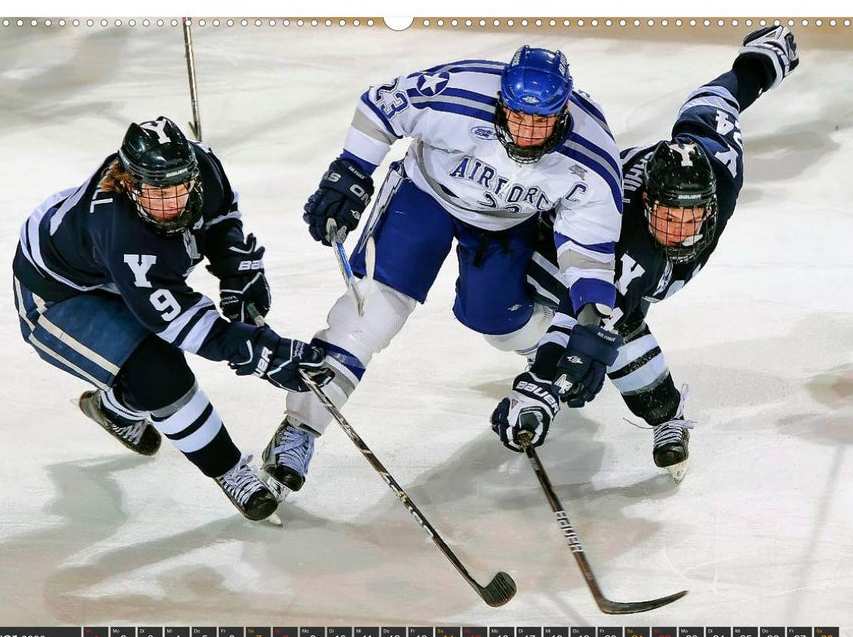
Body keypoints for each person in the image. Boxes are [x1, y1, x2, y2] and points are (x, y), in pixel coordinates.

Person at [260, 47, 625, 500]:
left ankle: (545, 351)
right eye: (516, 116)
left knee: (497, 321)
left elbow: (589, 251)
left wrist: (586, 325)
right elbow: (381, 105)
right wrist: (350, 170)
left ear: (564, 110)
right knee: (372, 310)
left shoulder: (592, 156)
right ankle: (301, 426)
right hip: (424, 195)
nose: (527, 133)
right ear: (500, 101)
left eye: (542, 121)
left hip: (506, 225)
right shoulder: (460, 90)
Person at [491, 26, 800, 484]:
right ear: (647, 204)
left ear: (712, 205)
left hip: (618, 272)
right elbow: (591, 317)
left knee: (613, 321)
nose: (678, 233)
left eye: (691, 219)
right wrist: (542, 389)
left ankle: (661, 414)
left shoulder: (719, 165)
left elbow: (714, 102)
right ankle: (663, 414)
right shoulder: (624, 230)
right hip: (549, 247)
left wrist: (762, 61)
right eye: (667, 218)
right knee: (594, 323)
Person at [12, 116, 329, 521]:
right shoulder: (121, 229)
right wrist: (261, 352)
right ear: (128, 182)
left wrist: (236, 271)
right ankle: (231, 470)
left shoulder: (205, 166)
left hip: (106, 269)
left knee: (148, 379)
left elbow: (220, 220)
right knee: (159, 375)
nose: (171, 204)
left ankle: (116, 409)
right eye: (156, 192)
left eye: (180, 188)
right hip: (58, 296)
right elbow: (181, 322)